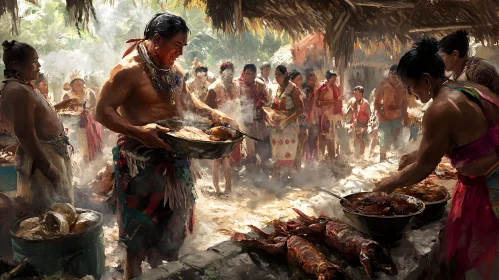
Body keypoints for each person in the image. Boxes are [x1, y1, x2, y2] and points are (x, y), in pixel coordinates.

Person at [95, 13, 236, 279]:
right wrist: (138, 131)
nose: (181, 54)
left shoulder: (175, 72)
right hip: (140, 168)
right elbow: (102, 111)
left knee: (172, 240)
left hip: (175, 164)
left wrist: (216, 115)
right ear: (158, 39)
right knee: (136, 245)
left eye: (183, 47)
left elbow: (190, 103)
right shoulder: (127, 71)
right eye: (177, 46)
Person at [374, 38, 499, 280]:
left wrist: (389, 183)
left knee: (479, 263)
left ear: (426, 80)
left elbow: (424, 168)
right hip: (485, 178)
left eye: (410, 88)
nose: (410, 94)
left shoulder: (439, 109)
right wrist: (415, 155)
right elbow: (467, 138)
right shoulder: (469, 88)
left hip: (489, 188)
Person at [0, 40, 73, 209]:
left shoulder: (22, 87)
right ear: (15, 65)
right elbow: (25, 134)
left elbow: (36, 118)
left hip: (49, 155)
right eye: (34, 61)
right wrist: (49, 169)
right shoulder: (17, 90)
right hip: (42, 160)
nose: (39, 66)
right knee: (49, 215)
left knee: (60, 213)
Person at [205, 62, 242, 194]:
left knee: (229, 157)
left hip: (233, 125)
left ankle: (228, 187)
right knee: (218, 157)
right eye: (226, 74)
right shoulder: (214, 88)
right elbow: (207, 108)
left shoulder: (237, 85)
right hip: (218, 127)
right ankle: (217, 187)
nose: (229, 77)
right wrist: (218, 119)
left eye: (231, 74)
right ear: (221, 74)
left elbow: (239, 103)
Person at [266, 65, 304, 179]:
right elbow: (272, 107)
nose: (277, 77)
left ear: (285, 75)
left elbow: (300, 108)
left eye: (279, 75)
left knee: (286, 153)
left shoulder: (292, 89)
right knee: (277, 154)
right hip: (277, 128)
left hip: (288, 127)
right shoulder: (277, 88)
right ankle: (278, 179)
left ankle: (285, 179)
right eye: (275, 75)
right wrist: (270, 117)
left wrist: (286, 121)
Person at [439, 30, 499, 94]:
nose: (440, 60)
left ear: (455, 54)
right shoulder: (453, 74)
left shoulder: (479, 71)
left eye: (442, 56)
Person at [61, 71, 103, 161]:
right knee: (75, 135)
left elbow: (95, 106)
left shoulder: (90, 92)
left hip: (89, 119)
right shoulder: (67, 95)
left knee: (93, 130)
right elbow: (65, 109)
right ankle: (78, 156)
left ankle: (94, 155)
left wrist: (89, 112)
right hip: (74, 121)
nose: (79, 85)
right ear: (72, 85)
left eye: (80, 83)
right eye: (76, 83)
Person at [237, 63, 271, 171]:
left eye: (252, 74)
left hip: (259, 120)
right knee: (248, 146)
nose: (249, 76)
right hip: (246, 121)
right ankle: (251, 169)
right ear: (243, 73)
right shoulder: (238, 85)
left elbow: (267, 100)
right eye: (247, 73)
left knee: (262, 143)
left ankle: (263, 165)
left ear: (255, 74)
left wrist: (261, 105)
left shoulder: (260, 85)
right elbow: (235, 102)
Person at [374, 64, 408, 161]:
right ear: (390, 74)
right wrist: (381, 116)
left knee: (398, 142)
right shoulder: (384, 86)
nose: (395, 77)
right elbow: (376, 103)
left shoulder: (402, 87)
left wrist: (405, 118)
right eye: (393, 74)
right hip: (385, 117)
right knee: (384, 141)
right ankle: (382, 160)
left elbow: (405, 103)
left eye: (397, 75)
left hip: (397, 118)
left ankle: (397, 163)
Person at [316, 70, 342, 161]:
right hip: (324, 115)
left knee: (331, 137)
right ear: (328, 78)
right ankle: (321, 158)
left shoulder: (334, 87)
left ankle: (331, 158)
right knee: (324, 137)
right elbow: (319, 102)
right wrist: (332, 102)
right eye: (333, 78)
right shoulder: (323, 87)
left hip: (331, 116)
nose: (335, 79)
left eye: (335, 78)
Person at [289, 70, 307, 170]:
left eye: (301, 78)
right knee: (294, 144)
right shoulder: (291, 90)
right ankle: (293, 168)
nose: (300, 80)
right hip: (295, 119)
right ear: (291, 80)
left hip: (301, 119)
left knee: (300, 143)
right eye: (298, 79)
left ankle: (297, 167)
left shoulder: (299, 88)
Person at [347, 86, 370, 158]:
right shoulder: (352, 101)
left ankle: (361, 155)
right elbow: (347, 111)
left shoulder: (365, 103)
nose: (356, 96)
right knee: (355, 138)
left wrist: (369, 126)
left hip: (363, 124)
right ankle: (356, 155)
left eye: (358, 94)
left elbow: (369, 115)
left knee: (360, 138)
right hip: (355, 123)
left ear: (362, 94)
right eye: (355, 94)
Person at [303, 71, 319, 163]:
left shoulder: (316, 89)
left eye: (314, 80)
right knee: (307, 139)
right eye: (311, 80)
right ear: (308, 80)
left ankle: (312, 157)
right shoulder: (306, 90)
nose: (313, 81)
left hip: (315, 118)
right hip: (307, 118)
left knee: (313, 138)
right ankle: (307, 158)